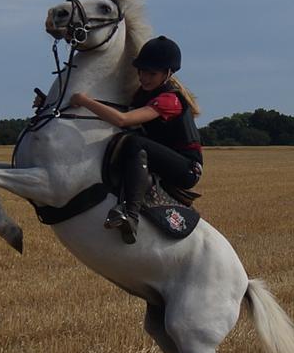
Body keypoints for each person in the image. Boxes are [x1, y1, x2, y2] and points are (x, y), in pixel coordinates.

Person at [70, 35, 203, 244]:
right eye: (141, 71)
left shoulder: (170, 100)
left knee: (134, 142)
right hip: (166, 157)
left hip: (187, 169)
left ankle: (130, 215)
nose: (144, 77)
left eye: (152, 73)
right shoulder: (143, 94)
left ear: (168, 74)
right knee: (128, 140)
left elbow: (123, 119)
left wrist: (84, 101)